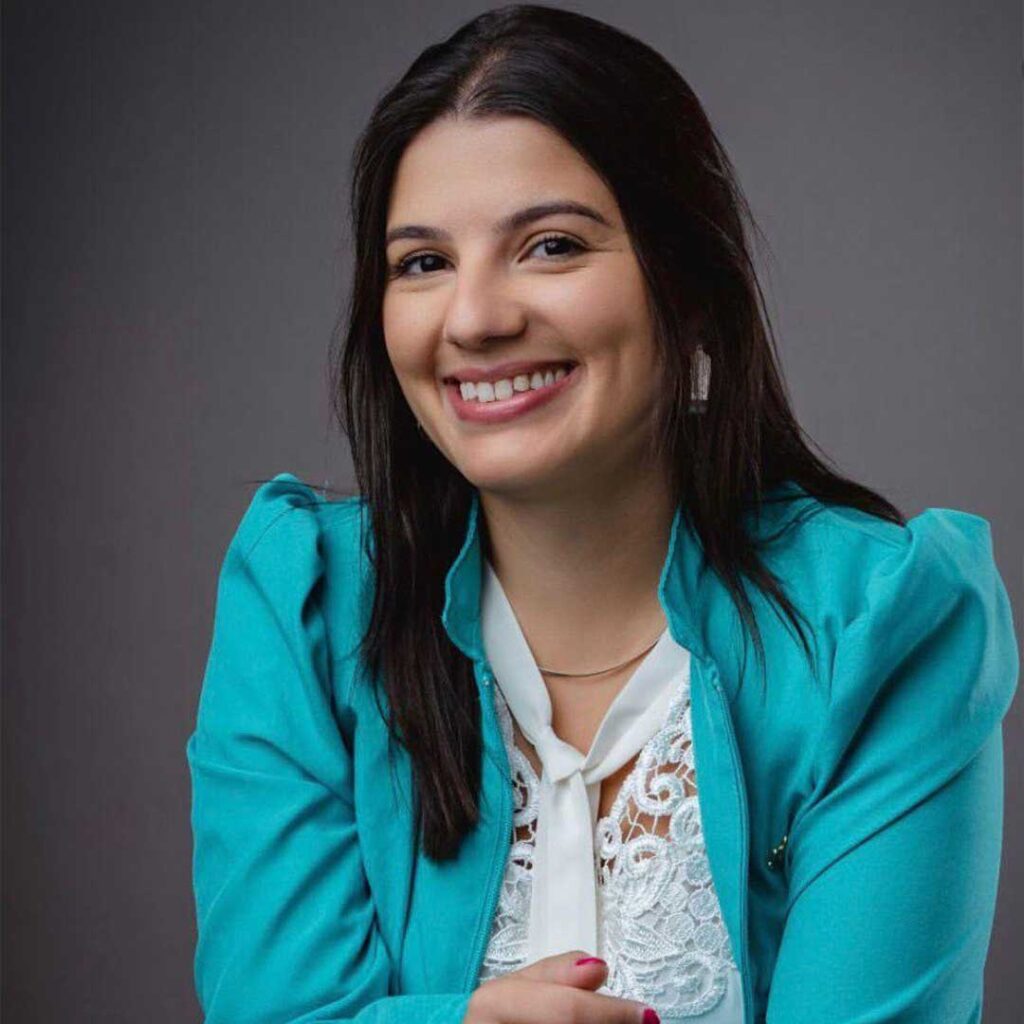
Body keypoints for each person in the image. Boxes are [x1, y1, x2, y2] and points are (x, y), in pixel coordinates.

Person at [186, 5, 1019, 1023]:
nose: (475, 318)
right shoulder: (305, 608)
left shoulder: (882, 627)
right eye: (423, 262)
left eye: (550, 246)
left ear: (690, 289)